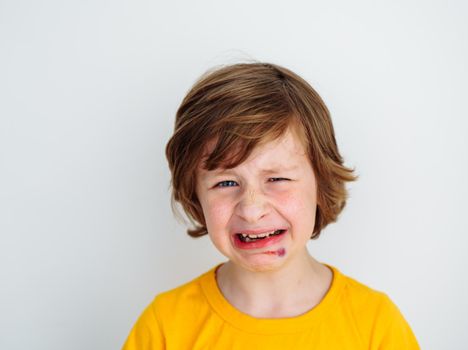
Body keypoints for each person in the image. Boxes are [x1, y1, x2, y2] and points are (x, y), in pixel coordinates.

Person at [122, 62, 420, 349]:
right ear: (195, 196)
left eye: (277, 178)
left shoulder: (375, 325)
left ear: (321, 182)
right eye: (226, 183)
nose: (251, 209)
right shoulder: (164, 326)